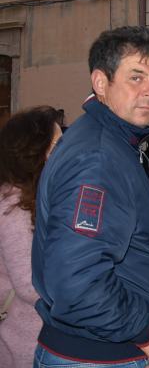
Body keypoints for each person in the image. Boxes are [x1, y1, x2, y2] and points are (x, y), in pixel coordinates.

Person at [32, 26, 149, 368]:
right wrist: (147, 331)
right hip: (101, 354)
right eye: (136, 77)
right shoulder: (98, 158)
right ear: (101, 83)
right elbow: (76, 281)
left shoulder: (111, 143)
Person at [0, 106, 62, 368]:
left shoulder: (32, 198)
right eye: (57, 144)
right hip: (26, 341)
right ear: (35, 152)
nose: (65, 150)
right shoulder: (14, 206)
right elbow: (31, 283)